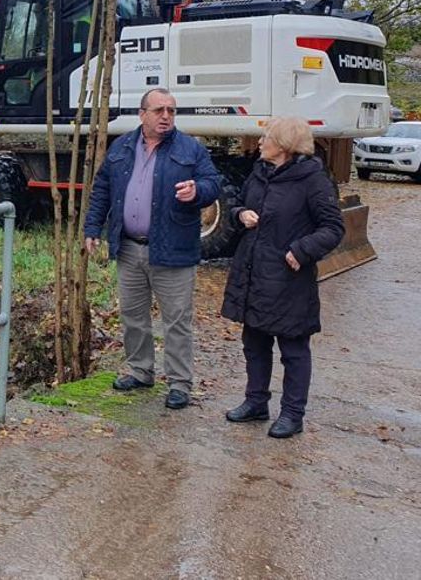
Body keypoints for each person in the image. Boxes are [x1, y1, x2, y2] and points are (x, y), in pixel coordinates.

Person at [84, 88, 223, 409]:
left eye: (171, 111)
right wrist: (92, 227)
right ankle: (140, 370)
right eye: (159, 110)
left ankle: (179, 383)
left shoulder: (190, 148)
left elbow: (212, 183)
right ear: (142, 114)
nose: (166, 116)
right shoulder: (122, 146)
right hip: (129, 248)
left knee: (176, 320)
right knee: (133, 315)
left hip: (173, 249)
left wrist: (197, 190)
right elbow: (102, 188)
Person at [221, 117, 345, 438]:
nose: (260, 142)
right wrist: (239, 214)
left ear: (285, 145)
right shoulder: (259, 173)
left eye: (267, 137)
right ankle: (256, 402)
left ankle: (292, 414)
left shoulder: (312, 180)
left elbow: (333, 228)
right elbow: (237, 204)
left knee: (293, 349)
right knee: (255, 343)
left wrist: (302, 250)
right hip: (255, 275)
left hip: (290, 280)